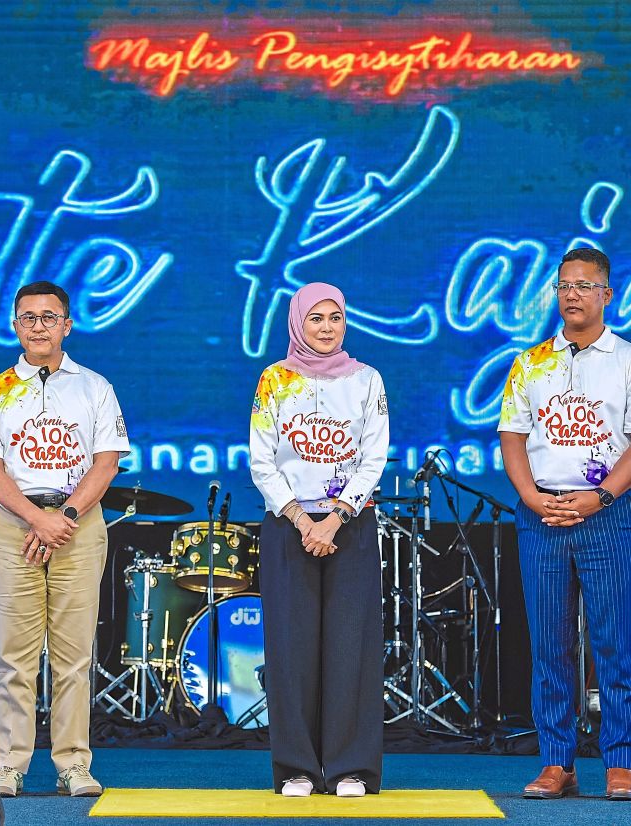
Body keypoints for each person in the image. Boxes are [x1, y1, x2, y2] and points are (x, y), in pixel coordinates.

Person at [497, 247, 631, 801]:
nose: (572, 294)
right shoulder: (530, 362)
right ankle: (557, 762)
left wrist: (601, 496)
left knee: (614, 641)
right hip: (541, 516)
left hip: (606, 517)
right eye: (564, 285)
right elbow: (512, 437)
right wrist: (530, 496)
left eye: (584, 286)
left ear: (606, 295)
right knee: (550, 644)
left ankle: (620, 762)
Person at [0, 281, 129, 798]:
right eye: (29, 317)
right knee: (13, 658)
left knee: (73, 657)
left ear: (67, 325)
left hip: (78, 525)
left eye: (49, 317)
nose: (39, 325)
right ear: (15, 326)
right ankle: (9, 767)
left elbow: (107, 464)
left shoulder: (96, 387)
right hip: (14, 524)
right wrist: (36, 520)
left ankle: (73, 766)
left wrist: (63, 516)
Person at [249, 282, 389, 798]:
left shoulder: (366, 380)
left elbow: (374, 456)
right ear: (297, 323)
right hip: (289, 527)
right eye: (316, 318)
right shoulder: (274, 380)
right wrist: (302, 520)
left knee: (351, 648)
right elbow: (262, 459)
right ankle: (297, 769)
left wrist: (334, 519)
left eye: (335, 318)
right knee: (291, 651)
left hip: (349, 527)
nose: (327, 327)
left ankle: (352, 768)